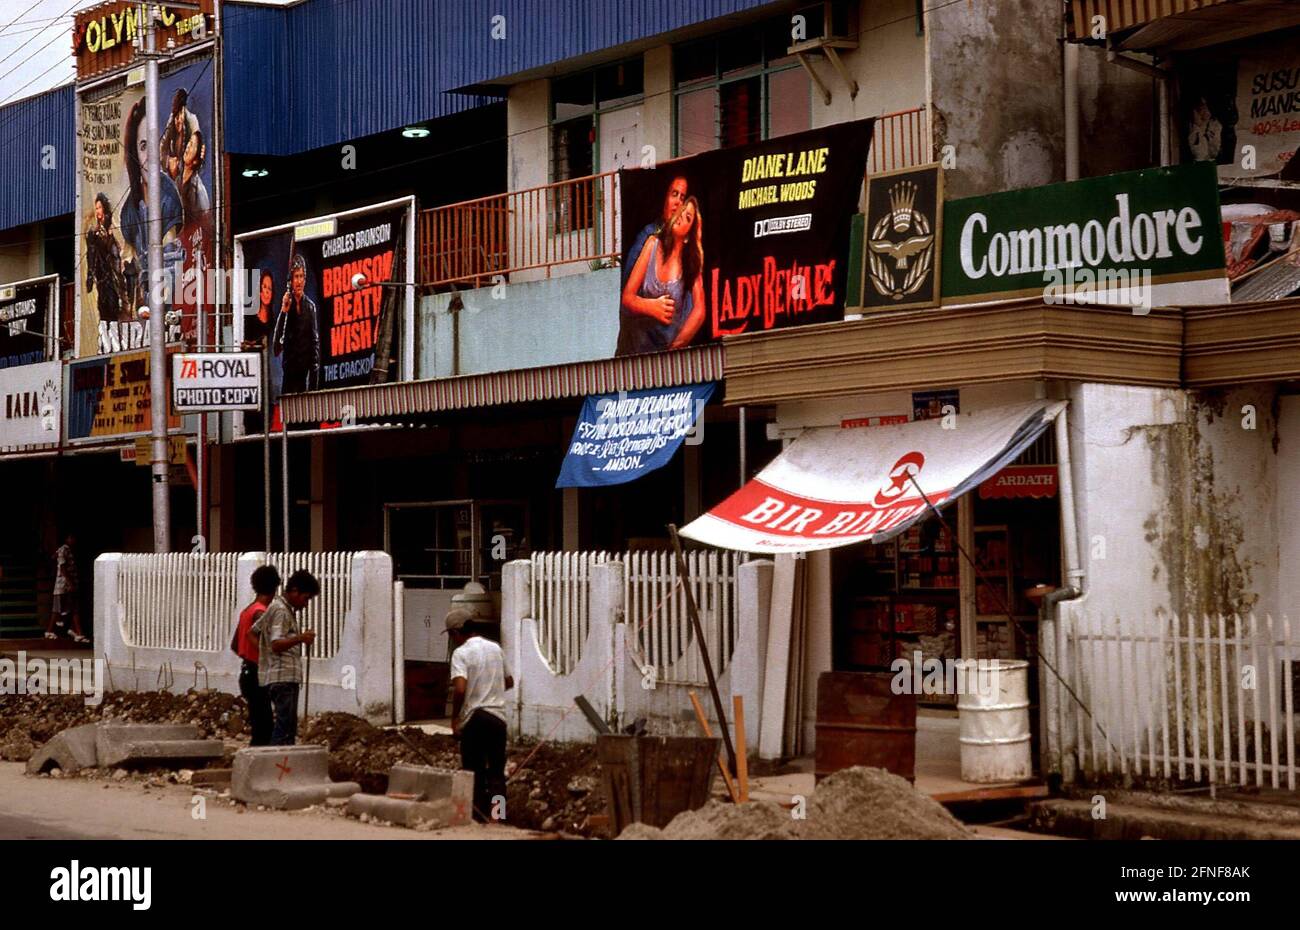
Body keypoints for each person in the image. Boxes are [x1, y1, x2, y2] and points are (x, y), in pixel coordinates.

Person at [618, 195, 707, 355]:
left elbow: (700, 309)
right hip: (637, 348)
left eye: (687, 217)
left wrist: (675, 347)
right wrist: (652, 307)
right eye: (681, 211)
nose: (681, 216)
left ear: (688, 236)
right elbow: (627, 298)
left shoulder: (689, 263)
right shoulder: (652, 244)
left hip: (666, 351)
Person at [447, 608, 513, 823]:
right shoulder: (495, 648)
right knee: (496, 772)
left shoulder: (461, 653)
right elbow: (509, 681)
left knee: (472, 771)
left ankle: (476, 816)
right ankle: (498, 816)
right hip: (497, 719)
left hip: (475, 719)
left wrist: (455, 718)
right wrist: (490, 686)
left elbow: (459, 688)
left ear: (456, 633)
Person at [251, 569, 319, 746]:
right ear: (294, 591)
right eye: (305, 598)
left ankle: (279, 766)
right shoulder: (281, 611)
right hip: (283, 678)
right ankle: (277, 767)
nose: (305, 604)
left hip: (278, 676)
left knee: (285, 726)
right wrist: (300, 638)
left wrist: (264, 657)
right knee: (285, 729)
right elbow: (276, 644)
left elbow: (254, 631)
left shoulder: (277, 608)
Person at [231, 565, 279, 747]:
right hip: (258, 673)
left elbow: (235, 645)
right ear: (274, 588)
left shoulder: (247, 611)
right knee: (265, 727)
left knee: (259, 724)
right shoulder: (261, 613)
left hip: (247, 672)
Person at [273, 254, 320, 394]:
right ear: (291, 281)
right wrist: (283, 311)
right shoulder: (287, 307)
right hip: (289, 377)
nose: (299, 281)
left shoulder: (310, 308)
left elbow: (314, 344)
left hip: (305, 378)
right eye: (296, 277)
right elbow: (276, 347)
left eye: (301, 276)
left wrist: (313, 382)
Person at [84, 193, 128, 324]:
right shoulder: (94, 230)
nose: (98, 211)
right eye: (96, 208)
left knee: (114, 292)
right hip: (101, 270)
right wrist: (90, 274)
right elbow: (91, 252)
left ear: (104, 208)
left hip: (112, 266)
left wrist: (108, 237)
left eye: (100, 207)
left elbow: (118, 247)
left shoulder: (111, 225)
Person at [46, 534, 88, 644]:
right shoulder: (63, 550)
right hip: (63, 586)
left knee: (72, 608)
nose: (73, 540)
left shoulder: (67, 550)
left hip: (67, 586)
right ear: (66, 539)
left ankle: (76, 631)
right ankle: (51, 631)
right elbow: (63, 568)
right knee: (59, 610)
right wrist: (70, 584)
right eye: (71, 538)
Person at [160, 88, 199, 183]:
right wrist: (168, 161)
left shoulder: (192, 121)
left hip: (188, 174)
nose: (178, 121)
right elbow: (162, 147)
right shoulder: (171, 120)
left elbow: (198, 146)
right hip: (173, 174)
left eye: (179, 116)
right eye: (175, 118)